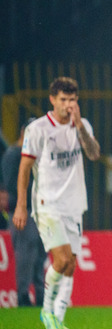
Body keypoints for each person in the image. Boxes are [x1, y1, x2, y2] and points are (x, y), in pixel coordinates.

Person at [13, 77, 100, 329]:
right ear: (52, 100)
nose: (68, 105)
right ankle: (46, 310)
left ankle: (58, 319)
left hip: (74, 204)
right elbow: (24, 169)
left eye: (72, 100)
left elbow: (94, 154)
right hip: (47, 204)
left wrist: (80, 127)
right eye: (63, 100)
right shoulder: (38, 129)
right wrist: (20, 205)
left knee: (71, 264)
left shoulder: (82, 126)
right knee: (61, 260)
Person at [2, 118, 47, 306]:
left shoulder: (37, 155)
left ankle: (40, 296)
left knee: (40, 256)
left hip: (40, 212)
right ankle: (22, 296)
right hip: (23, 212)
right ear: (24, 133)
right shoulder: (13, 154)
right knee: (25, 256)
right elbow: (12, 184)